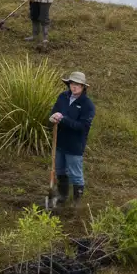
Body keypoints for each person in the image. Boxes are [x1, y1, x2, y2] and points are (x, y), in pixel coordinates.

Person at [49, 71, 95, 205]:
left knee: (75, 174)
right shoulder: (63, 97)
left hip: (75, 145)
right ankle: (62, 196)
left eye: (77, 85)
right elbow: (55, 111)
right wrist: (52, 117)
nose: (74, 87)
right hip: (59, 141)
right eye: (72, 84)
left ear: (83, 87)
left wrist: (63, 119)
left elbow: (82, 126)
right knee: (60, 170)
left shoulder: (87, 105)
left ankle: (77, 203)